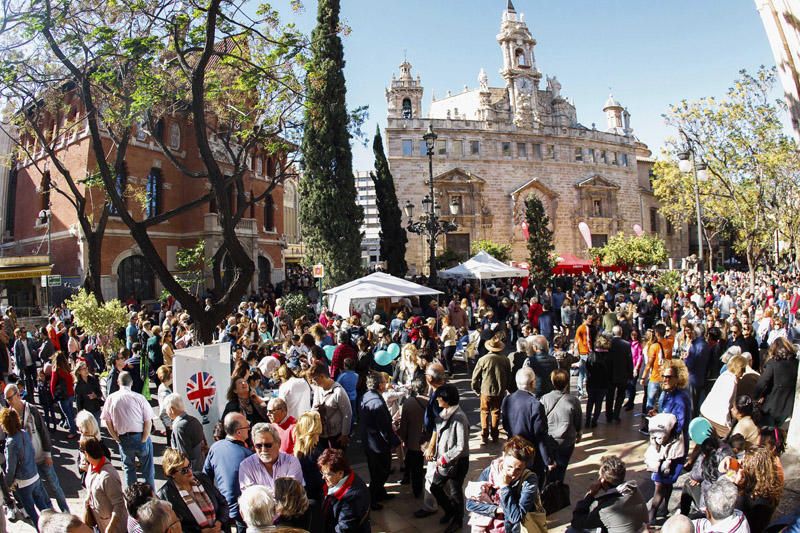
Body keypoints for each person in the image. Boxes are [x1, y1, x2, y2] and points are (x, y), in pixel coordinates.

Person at [4, 384, 69, 513]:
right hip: (30, 463)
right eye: (7, 399)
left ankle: (66, 512)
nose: (9, 402)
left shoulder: (31, 409)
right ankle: (53, 516)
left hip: (41, 456)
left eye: (10, 398)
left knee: (55, 486)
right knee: (43, 492)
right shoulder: (10, 415)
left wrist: (48, 453)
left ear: (18, 395)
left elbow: (43, 431)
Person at [465, 436, 544, 533]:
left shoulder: (529, 480)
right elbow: (470, 504)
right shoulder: (490, 472)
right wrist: (497, 510)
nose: (512, 473)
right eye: (509, 467)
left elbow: (515, 517)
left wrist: (504, 486)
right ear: (503, 456)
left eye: (518, 469)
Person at [648, 359, 691, 524]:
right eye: (663, 376)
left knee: (659, 482)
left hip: (673, 447)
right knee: (666, 481)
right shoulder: (666, 394)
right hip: (665, 444)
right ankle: (664, 508)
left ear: (677, 378)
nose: (664, 379)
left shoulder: (680, 398)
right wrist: (656, 415)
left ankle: (651, 515)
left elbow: (679, 425)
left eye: (668, 377)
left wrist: (662, 424)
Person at [101, 371, 156, 489]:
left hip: (123, 438)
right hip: (139, 435)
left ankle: (132, 498)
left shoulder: (111, 398)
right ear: (131, 383)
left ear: (118, 382)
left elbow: (107, 421)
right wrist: (144, 439)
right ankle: (152, 497)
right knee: (148, 471)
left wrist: (116, 438)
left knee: (129, 469)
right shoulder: (139, 397)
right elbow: (148, 421)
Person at [0, 407, 52, 526]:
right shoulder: (23, 433)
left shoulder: (10, 443)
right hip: (35, 476)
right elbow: (32, 452)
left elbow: (11, 468)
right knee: (44, 509)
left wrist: (8, 484)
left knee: (32, 513)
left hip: (23, 483)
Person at [570, 455, 648, 533]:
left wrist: (590, 495)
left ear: (602, 480)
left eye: (599, 476)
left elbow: (576, 522)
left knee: (572, 531)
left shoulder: (606, 508)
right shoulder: (633, 488)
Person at [429, 383, 469, 533]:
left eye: (440, 397)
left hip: (456, 462)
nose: (437, 399)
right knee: (435, 487)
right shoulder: (445, 413)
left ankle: (457, 520)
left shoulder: (459, 418)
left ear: (447, 399)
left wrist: (445, 458)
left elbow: (461, 446)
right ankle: (451, 511)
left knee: (455, 491)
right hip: (444, 462)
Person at [203, 412, 254, 532]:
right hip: (241, 512)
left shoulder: (215, 448)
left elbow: (205, 478)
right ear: (239, 432)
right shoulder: (249, 456)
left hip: (221, 509)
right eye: (247, 427)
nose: (249, 429)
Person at [158, 448, 228, 533]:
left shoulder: (202, 478)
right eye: (184, 470)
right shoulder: (165, 495)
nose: (190, 471)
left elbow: (223, 503)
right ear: (172, 474)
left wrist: (219, 522)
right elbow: (172, 528)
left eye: (189, 466)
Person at [360, 371, 400, 510]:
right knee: (381, 471)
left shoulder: (366, 395)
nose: (386, 383)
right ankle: (372, 498)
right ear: (380, 385)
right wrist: (394, 443)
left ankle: (381, 493)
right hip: (378, 444)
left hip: (369, 441)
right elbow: (384, 428)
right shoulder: (377, 403)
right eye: (384, 381)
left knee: (375, 469)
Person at [540, 368, 582, 484]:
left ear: (552, 382)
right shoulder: (573, 400)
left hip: (549, 439)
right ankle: (557, 488)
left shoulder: (545, 398)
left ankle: (548, 487)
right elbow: (578, 420)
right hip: (566, 440)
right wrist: (579, 433)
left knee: (548, 466)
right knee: (561, 468)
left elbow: (541, 419)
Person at [318, 447, 371, 533]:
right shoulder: (338, 479)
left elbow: (344, 529)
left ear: (340, 473)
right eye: (322, 472)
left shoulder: (352, 498)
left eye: (327, 474)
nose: (323, 477)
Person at [81, 436, 128, 533]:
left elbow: (119, 505)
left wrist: (110, 528)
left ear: (86, 454)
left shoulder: (108, 476)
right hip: (99, 523)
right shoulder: (91, 466)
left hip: (113, 528)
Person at [238, 422, 303, 491]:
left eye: (268, 445)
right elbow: (251, 497)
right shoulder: (246, 466)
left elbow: (291, 493)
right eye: (258, 446)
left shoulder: (291, 462)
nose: (263, 450)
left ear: (279, 443)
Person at [471, 337, 511, 444]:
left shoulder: (483, 359)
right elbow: (509, 375)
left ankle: (484, 435)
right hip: (499, 390)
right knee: (496, 412)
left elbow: (475, 377)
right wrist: (506, 387)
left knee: (484, 412)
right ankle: (495, 435)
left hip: (485, 390)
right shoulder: (505, 360)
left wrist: (475, 388)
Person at [753, 336, 798, 428]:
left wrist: (755, 397)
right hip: (790, 405)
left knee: (768, 434)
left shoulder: (773, 363)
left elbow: (762, 382)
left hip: (772, 405)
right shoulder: (797, 363)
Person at [700, 355, 746, 438]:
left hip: (706, 412)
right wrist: (728, 425)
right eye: (743, 369)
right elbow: (726, 404)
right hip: (717, 419)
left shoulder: (724, 375)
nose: (744, 372)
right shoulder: (731, 382)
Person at [309, 362, 352, 450]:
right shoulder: (318, 389)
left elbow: (347, 414)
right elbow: (313, 407)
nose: (313, 382)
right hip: (322, 434)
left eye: (315, 379)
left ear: (322, 376)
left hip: (336, 435)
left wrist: (344, 434)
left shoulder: (339, 391)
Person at [397, 377, 428, 499]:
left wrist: (404, 438)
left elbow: (404, 424)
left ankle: (416, 489)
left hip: (413, 440)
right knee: (421, 466)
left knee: (415, 465)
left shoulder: (408, 403)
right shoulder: (430, 401)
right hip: (427, 440)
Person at [164, 393, 207, 473]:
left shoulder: (179, 427)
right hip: (201, 468)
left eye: (166, 409)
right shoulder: (194, 420)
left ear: (171, 409)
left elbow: (182, 455)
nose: (166, 412)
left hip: (190, 473)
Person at [606, 326, 633, 423]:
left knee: (609, 395)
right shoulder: (626, 345)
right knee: (620, 395)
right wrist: (630, 373)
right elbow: (629, 360)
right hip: (622, 374)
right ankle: (616, 415)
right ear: (621, 333)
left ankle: (609, 415)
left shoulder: (608, 343)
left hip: (610, 374)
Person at [51, 352, 78, 439]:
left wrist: (53, 397)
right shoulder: (68, 369)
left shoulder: (57, 371)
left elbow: (52, 384)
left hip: (63, 396)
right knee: (71, 412)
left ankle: (73, 431)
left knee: (67, 414)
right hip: (70, 394)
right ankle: (74, 427)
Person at [12, 327, 37, 404]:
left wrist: (34, 352)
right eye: (23, 332)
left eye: (26, 332)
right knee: (28, 381)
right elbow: (16, 356)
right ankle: (31, 398)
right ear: (20, 334)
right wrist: (20, 367)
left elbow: (35, 348)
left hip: (32, 363)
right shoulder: (17, 343)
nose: (25, 333)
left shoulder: (30, 340)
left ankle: (33, 393)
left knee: (34, 379)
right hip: (25, 365)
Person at [73, 361, 103, 426]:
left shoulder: (93, 379)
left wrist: (95, 395)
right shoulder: (78, 386)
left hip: (96, 409)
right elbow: (78, 404)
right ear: (79, 371)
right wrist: (80, 417)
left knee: (97, 429)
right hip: (86, 413)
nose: (86, 370)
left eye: (86, 368)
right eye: (83, 369)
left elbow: (100, 393)